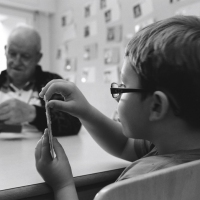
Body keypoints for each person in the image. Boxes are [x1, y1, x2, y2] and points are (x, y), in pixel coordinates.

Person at [35, 15, 200, 199]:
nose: (117, 95)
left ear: (156, 106)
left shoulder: (142, 181)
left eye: (124, 86)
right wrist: (85, 111)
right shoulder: (172, 144)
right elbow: (124, 145)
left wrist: (62, 184)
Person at [0, 25, 81, 136]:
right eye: (12, 54)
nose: (17, 61)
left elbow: (73, 122)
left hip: (42, 150)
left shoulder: (52, 83)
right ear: (5, 51)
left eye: (25, 56)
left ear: (38, 57)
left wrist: (33, 114)